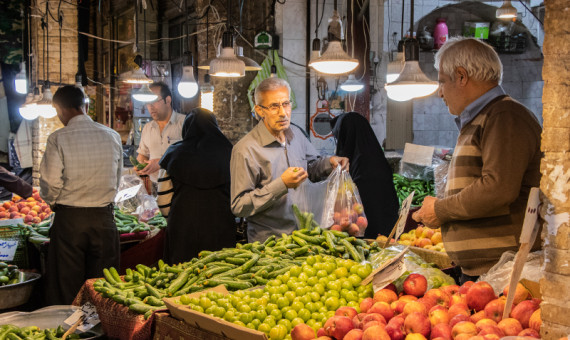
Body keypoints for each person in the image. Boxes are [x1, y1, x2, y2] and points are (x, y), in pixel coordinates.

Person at [412, 37, 542, 283]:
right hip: (486, 273)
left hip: (503, 273)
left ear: (461, 76)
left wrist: (441, 210)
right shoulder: (482, 118)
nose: (440, 92)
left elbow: (497, 188)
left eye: (442, 82)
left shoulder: (504, 116)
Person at [231, 77, 349, 242]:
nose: (283, 113)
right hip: (270, 244)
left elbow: (311, 168)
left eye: (286, 104)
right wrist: (282, 185)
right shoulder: (245, 150)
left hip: (306, 237)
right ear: (259, 110)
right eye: (274, 106)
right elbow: (239, 206)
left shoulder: (296, 135)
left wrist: (329, 163)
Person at [39, 85, 123, 304]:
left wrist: (55, 203)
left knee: (68, 285)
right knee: (104, 285)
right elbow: (117, 177)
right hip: (104, 219)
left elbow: (49, 182)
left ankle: (71, 332)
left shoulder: (58, 138)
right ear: (85, 106)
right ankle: (103, 331)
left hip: (70, 221)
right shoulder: (112, 136)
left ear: (60, 109)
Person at [157, 108, 236, 264]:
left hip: (182, 229)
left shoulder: (173, 154)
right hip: (221, 227)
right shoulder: (232, 153)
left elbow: (163, 201)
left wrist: (175, 219)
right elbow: (238, 194)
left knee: (181, 278)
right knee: (221, 275)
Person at [330, 112, 399, 239]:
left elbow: (361, 214)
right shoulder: (376, 157)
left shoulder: (360, 167)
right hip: (388, 234)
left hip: (370, 238)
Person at [136, 82, 184, 183]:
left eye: (154, 101)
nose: (150, 107)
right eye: (148, 103)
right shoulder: (148, 128)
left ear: (168, 100)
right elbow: (143, 155)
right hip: (155, 186)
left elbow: (191, 156)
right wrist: (140, 164)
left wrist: (161, 162)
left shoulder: (184, 123)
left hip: (179, 187)